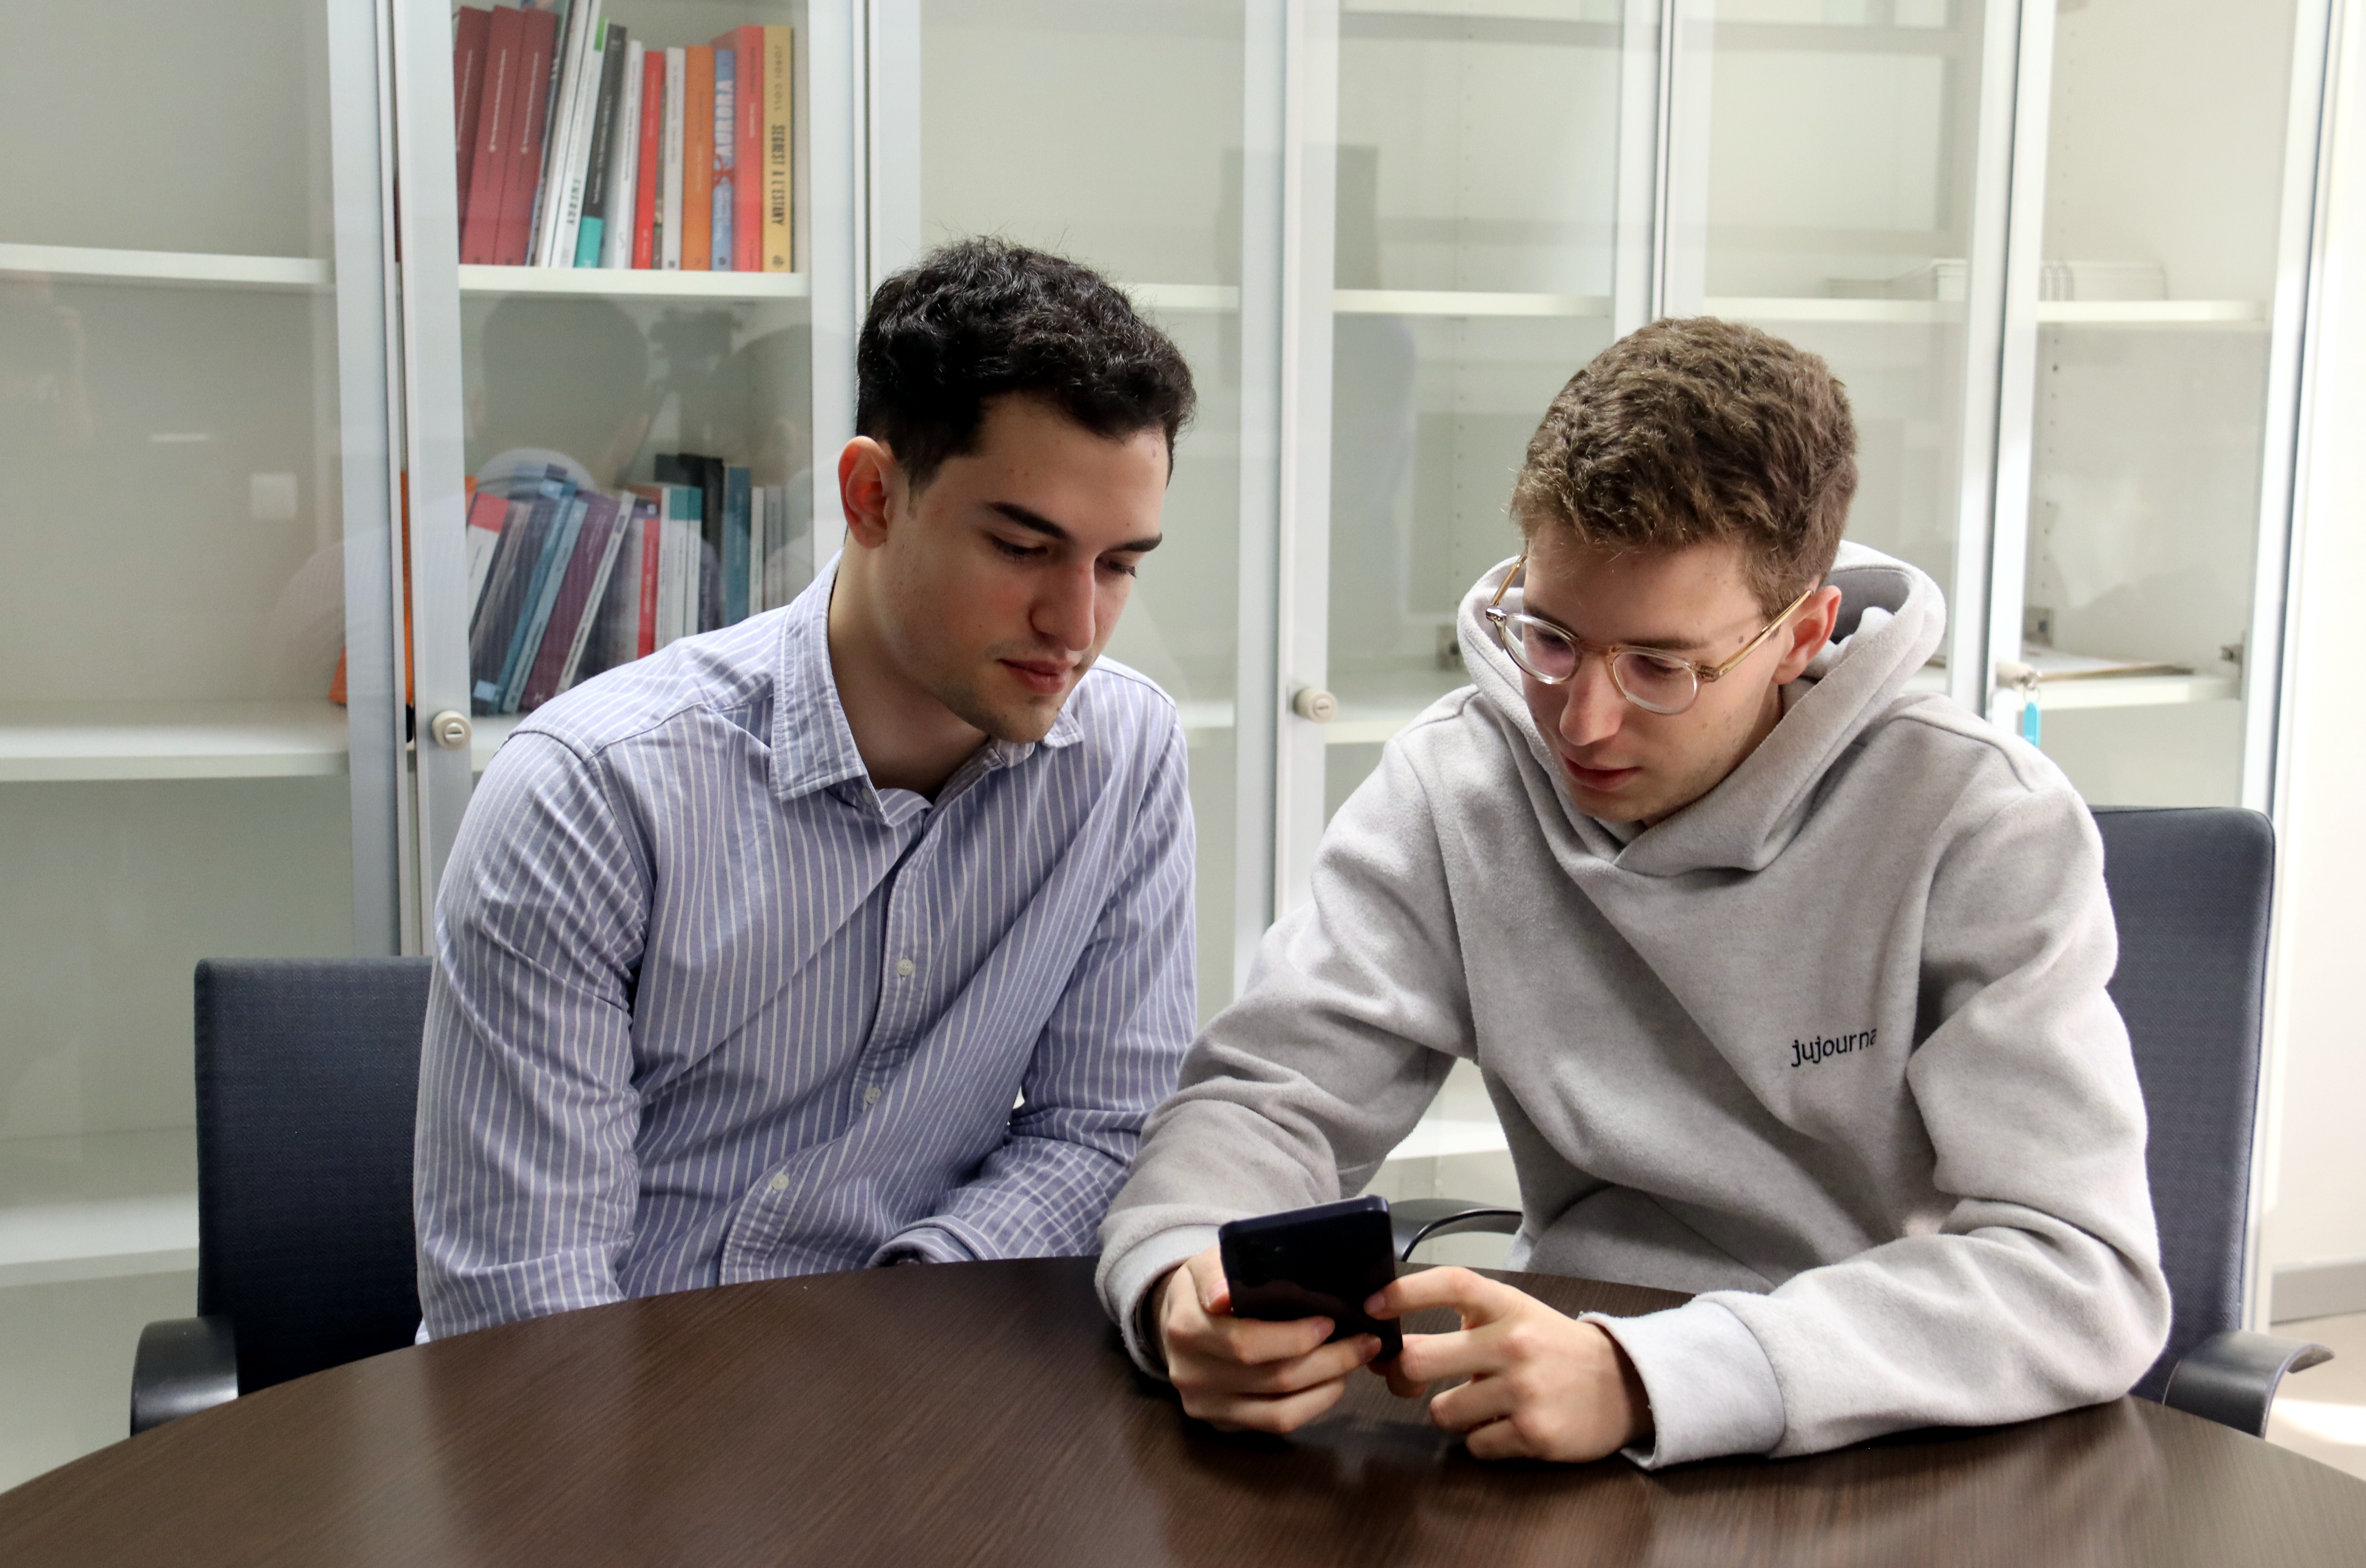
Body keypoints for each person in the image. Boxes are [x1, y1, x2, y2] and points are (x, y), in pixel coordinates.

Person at [1096, 316, 2171, 1468]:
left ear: (1801, 633)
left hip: (1882, 1430)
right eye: (1551, 638)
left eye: (1661, 667)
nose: (1583, 720)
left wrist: (1653, 1374)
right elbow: (1271, 1098)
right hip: (1561, 1410)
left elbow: (2082, 1269)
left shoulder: (1978, 818)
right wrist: (1180, 1276)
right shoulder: (1458, 779)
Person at [416, 238, 1201, 1335]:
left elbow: (1104, 1132)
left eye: (1120, 564)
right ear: (873, 495)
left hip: (931, 1391)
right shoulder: (592, 794)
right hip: (625, 1430)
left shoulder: (1126, 755)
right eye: (1024, 548)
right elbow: (524, 1312)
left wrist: (891, 1331)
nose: (1077, 628)